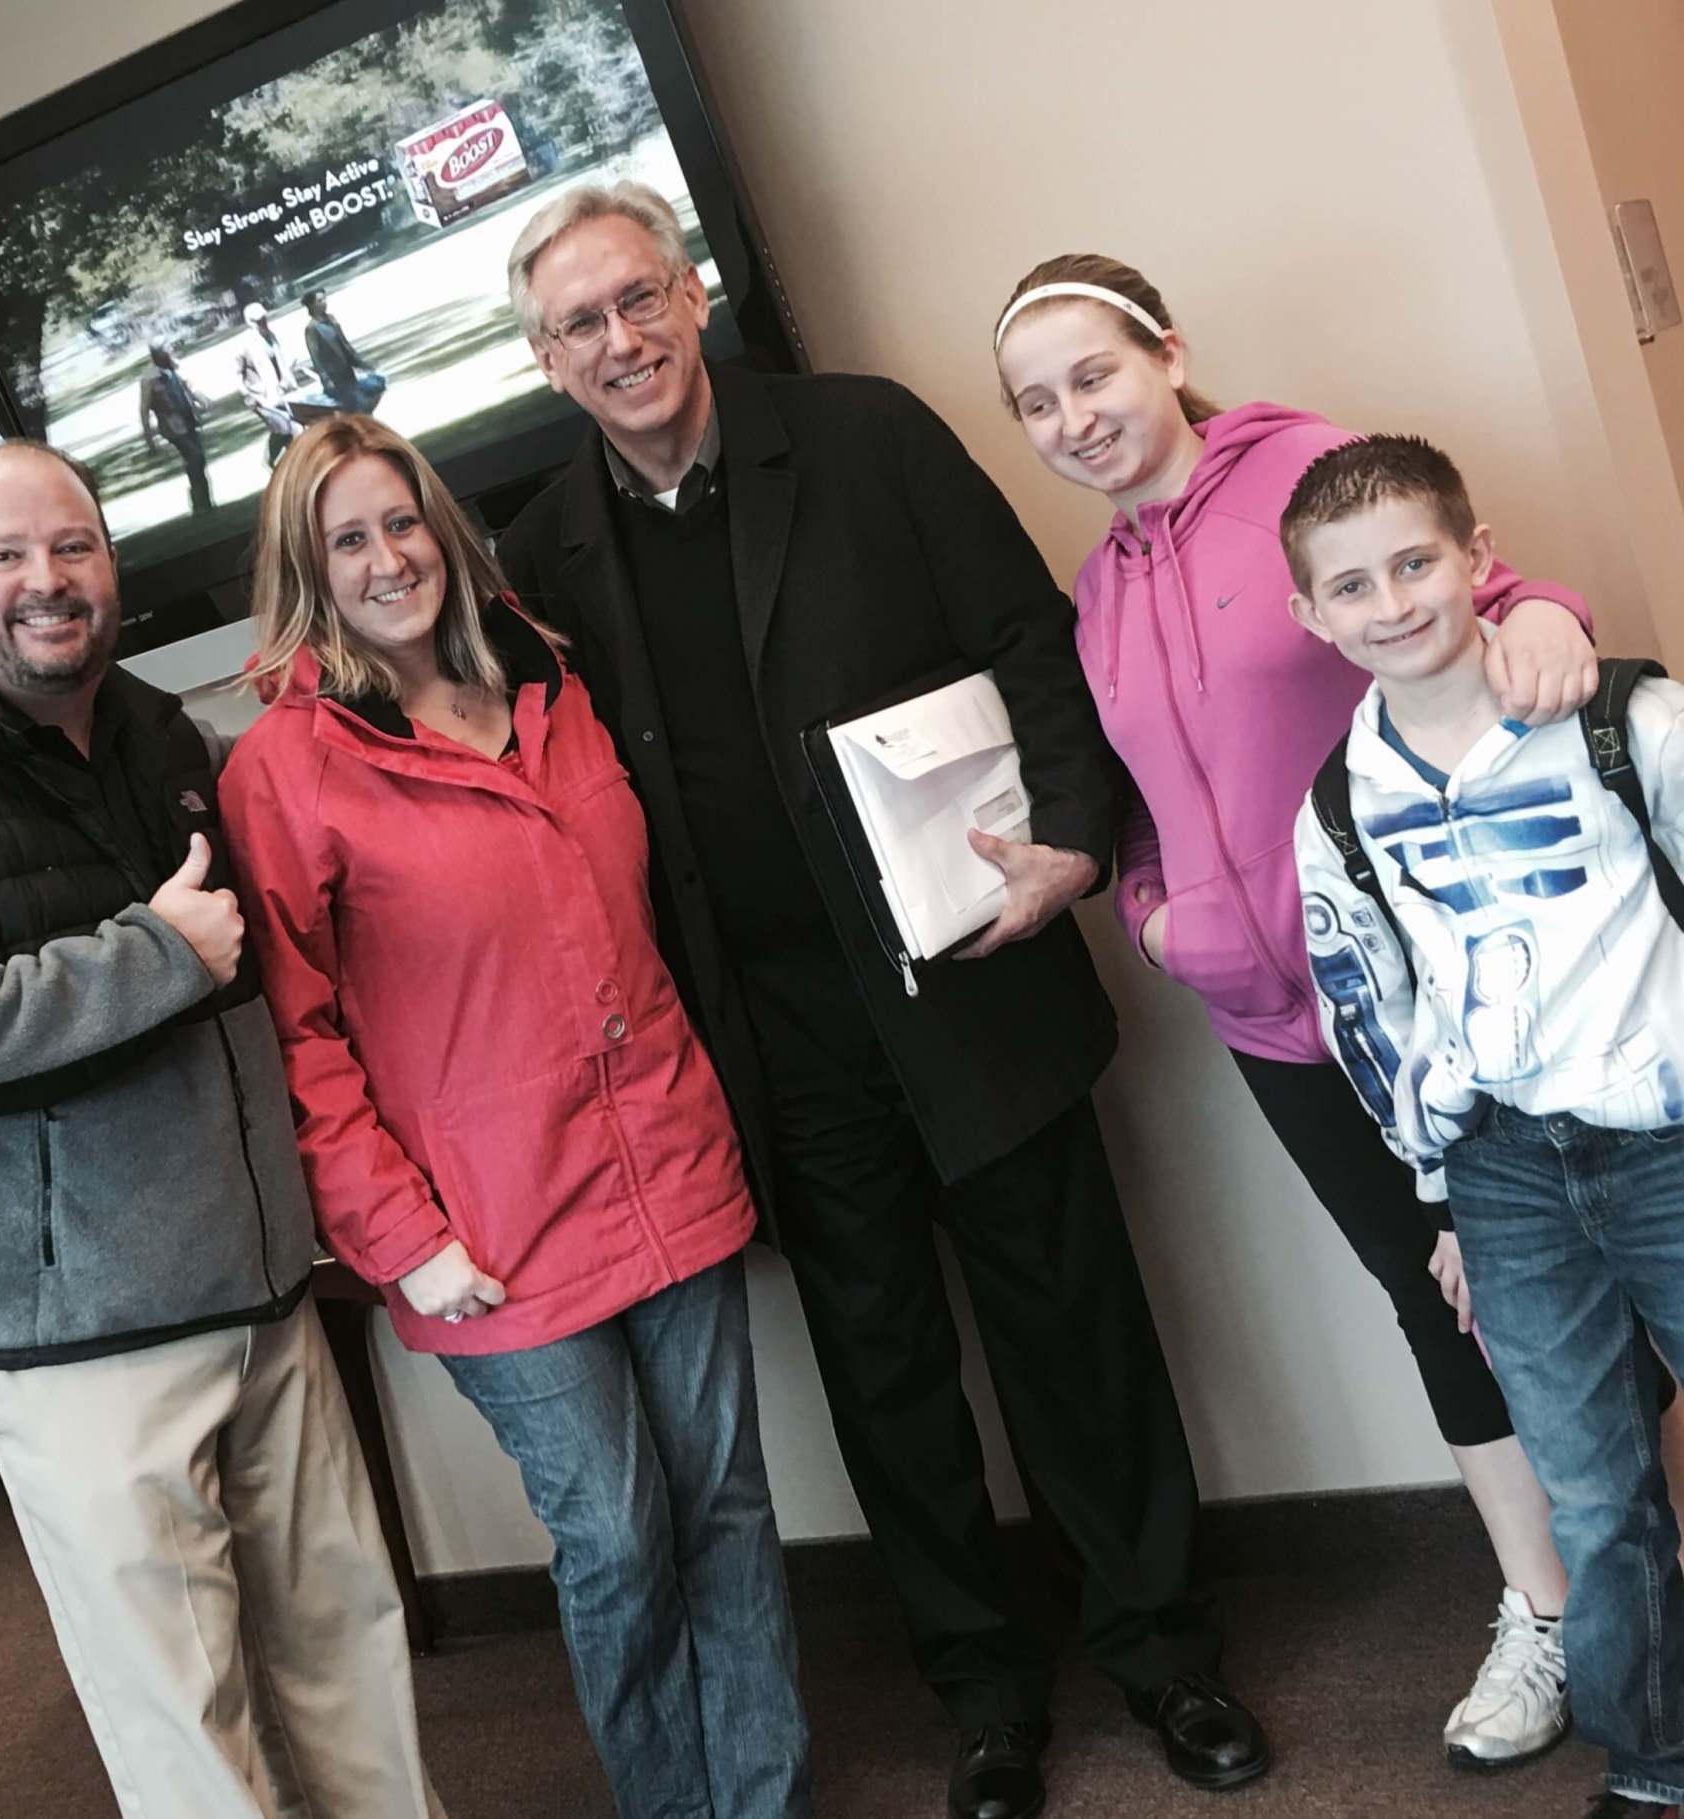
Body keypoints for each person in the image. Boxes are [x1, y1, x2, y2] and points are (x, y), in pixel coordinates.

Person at [497, 181, 1269, 1819]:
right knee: (886, 1372)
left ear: (691, 295)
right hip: (774, 1032)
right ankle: (984, 1691)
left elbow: (1027, 637)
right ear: (546, 360)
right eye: (580, 324)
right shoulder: (541, 550)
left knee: (1073, 1329)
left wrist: (1072, 844)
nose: (620, 340)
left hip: (971, 970)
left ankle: (1162, 1645)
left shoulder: (866, 436)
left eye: (638, 298)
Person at [989, 252, 1652, 1772]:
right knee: (1434, 1298)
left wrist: (1553, 612)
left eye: (1095, 375)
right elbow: (1137, 802)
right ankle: (1547, 1607)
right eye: (1037, 403)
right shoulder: (1097, 591)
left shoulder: (1299, 471)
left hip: (1452, 987)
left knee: (1574, 1275)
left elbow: (1463, 592)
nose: (1075, 418)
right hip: (1284, 1028)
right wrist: (1157, 916)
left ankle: (1637, 1568)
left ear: (1167, 354)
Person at [0, 440, 444, 1819]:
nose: (46, 579)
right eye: (5, 555)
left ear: (109, 563)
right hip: (78, 1349)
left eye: (71, 546)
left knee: (349, 1654)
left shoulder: (168, 738)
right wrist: (150, 956)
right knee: (189, 1726)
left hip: (259, 1293)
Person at [217, 413, 812, 1819]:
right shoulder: (285, 768)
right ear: (308, 570)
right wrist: (398, 1237)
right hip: (487, 1233)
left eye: (402, 522)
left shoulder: (553, 682)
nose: (387, 558)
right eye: (347, 539)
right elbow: (293, 1036)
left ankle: (766, 1801)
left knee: (725, 1507)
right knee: (616, 1535)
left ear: (443, 530)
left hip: (666, 1162)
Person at [1286, 432, 1684, 1819]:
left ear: (1478, 557)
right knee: (1593, 1491)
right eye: (1352, 585)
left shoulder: (1628, 722)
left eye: (1416, 563)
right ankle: (1656, 1758)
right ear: (1310, 614)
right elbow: (1372, 1013)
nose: (1392, 602)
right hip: (1505, 1177)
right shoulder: (1339, 808)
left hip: (1667, 1139)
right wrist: (1441, 1200)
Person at [138, 341, 213, 513]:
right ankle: (199, 501)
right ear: (157, 354)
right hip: (172, 426)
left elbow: (188, 387)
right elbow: (144, 410)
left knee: (198, 460)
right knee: (195, 456)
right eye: (167, 350)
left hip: (189, 420)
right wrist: (149, 439)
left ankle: (204, 503)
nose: (171, 351)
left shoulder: (174, 368)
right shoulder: (149, 379)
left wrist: (202, 400)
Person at [237, 301, 302, 466]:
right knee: (284, 427)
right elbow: (237, 374)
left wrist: (288, 378)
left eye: (264, 319)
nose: (263, 323)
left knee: (291, 427)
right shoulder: (244, 345)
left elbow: (279, 362)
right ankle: (271, 460)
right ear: (250, 323)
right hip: (262, 397)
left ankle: (291, 463)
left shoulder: (271, 337)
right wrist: (248, 394)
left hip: (281, 391)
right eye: (259, 321)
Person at [302, 289, 387, 413]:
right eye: (320, 301)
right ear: (311, 305)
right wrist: (326, 380)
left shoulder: (331, 319)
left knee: (378, 383)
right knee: (358, 404)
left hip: (349, 374)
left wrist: (363, 364)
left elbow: (345, 346)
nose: (324, 302)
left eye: (325, 299)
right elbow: (316, 358)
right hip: (336, 380)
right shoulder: (312, 329)